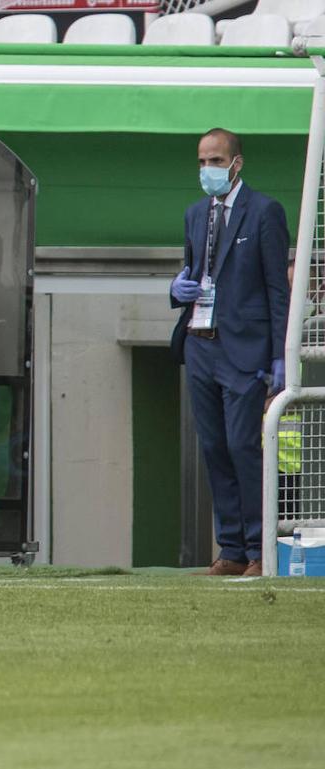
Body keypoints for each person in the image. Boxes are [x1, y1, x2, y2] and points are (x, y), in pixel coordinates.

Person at [170, 127, 289, 576]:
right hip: (200, 342)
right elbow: (192, 274)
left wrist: (280, 353)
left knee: (243, 445)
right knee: (214, 447)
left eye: (216, 161)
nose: (208, 169)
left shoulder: (264, 212)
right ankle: (232, 548)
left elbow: (277, 289)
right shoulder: (195, 214)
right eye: (202, 162)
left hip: (244, 347)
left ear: (236, 163)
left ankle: (260, 549)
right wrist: (175, 291)